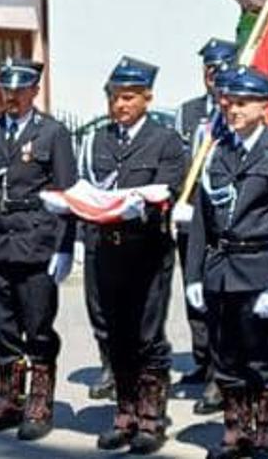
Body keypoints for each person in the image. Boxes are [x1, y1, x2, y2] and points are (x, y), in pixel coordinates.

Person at [183, 67, 268, 459]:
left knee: (262, 359)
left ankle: (265, 434)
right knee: (227, 357)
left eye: (242, 103)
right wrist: (193, 274)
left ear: (263, 106)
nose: (232, 109)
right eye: (228, 101)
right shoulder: (218, 151)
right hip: (221, 270)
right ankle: (236, 431)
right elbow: (202, 218)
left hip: (258, 269)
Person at [0, 57, 78, 442]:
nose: (12, 96)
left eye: (19, 89)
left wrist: (66, 245)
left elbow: (65, 194)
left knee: (38, 324)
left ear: (34, 90)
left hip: (37, 240)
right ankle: (10, 399)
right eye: (6, 89)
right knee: (3, 325)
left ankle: (39, 403)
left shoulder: (53, 133)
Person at [84, 57, 189, 454]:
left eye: (127, 97)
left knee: (147, 338)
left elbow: (171, 188)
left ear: (147, 97)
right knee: (118, 338)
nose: (119, 105)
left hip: (147, 253)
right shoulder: (101, 139)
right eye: (113, 97)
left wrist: (143, 204)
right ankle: (124, 415)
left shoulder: (165, 140)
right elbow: (91, 185)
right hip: (108, 251)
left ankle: (151, 420)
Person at [176, 38, 237, 415]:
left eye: (220, 67)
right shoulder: (188, 112)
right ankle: (203, 359)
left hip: (224, 219)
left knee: (221, 299)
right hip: (190, 216)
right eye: (208, 68)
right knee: (193, 291)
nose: (213, 74)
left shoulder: (236, 110)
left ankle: (221, 371)